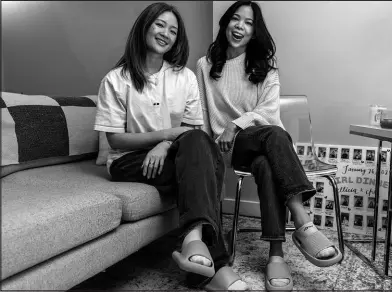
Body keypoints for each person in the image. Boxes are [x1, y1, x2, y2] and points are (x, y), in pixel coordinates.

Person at [93, 3, 246, 290]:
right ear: (144, 27)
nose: (166, 34)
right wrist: (166, 135)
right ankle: (216, 265)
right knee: (205, 162)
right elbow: (115, 139)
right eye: (160, 25)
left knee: (200, 144)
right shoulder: (116, 79)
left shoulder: (184, 76)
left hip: (173, 153)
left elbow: (192, 131)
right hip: (128, 161)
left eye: (173, 31)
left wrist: (165, 144)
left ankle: (194, 243)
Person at [196, 1, 342, 290]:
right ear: (225, 23)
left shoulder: (267, 68)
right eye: (235, 20)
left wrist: (234, 124)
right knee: (275, 135)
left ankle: (276, 256)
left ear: (255, 31)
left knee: (266, 161)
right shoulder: (205, 64)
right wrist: (208, 146)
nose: (239, 27)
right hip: (228, 148)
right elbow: (201, 111)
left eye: (248, 23)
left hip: (261, 142)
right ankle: (303, 221)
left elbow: (268, 114)